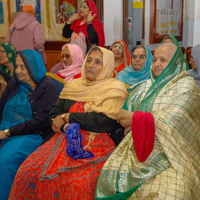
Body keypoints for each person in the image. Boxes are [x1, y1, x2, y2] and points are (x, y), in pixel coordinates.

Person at [9, 46, 128, 200]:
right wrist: (65, 125)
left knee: (74, 183)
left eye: (98, 62)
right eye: (89, 60)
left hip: (96, 145)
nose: (91, 65)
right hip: (60, 140)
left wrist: (68, 117)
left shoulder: (115, 90)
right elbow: (53, 114)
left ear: (107, 66)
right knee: (27, 170)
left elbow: (104, 122)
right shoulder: (74, 86)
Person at [95, 43, 200, 200]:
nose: (157, 64)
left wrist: (136, 120)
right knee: (110, 179)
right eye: (155, 59)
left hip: (173, 152)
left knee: (173, 193)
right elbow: (121, 116)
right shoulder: (144, 87)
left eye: (163, 60)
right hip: (137, 149)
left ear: (175, 62)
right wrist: (141, 121)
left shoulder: (187, 85)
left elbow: (175, 117)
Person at [0, 49, 58, 199]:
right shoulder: (14, 83)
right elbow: (0, 109)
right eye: (16, 66)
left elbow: (40, 122)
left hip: (30, 136)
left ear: (34, 67)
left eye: (22, 67)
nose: (17, 71)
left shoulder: (46, 87)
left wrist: (7, 132)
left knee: (4, 162)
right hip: (5, 132)